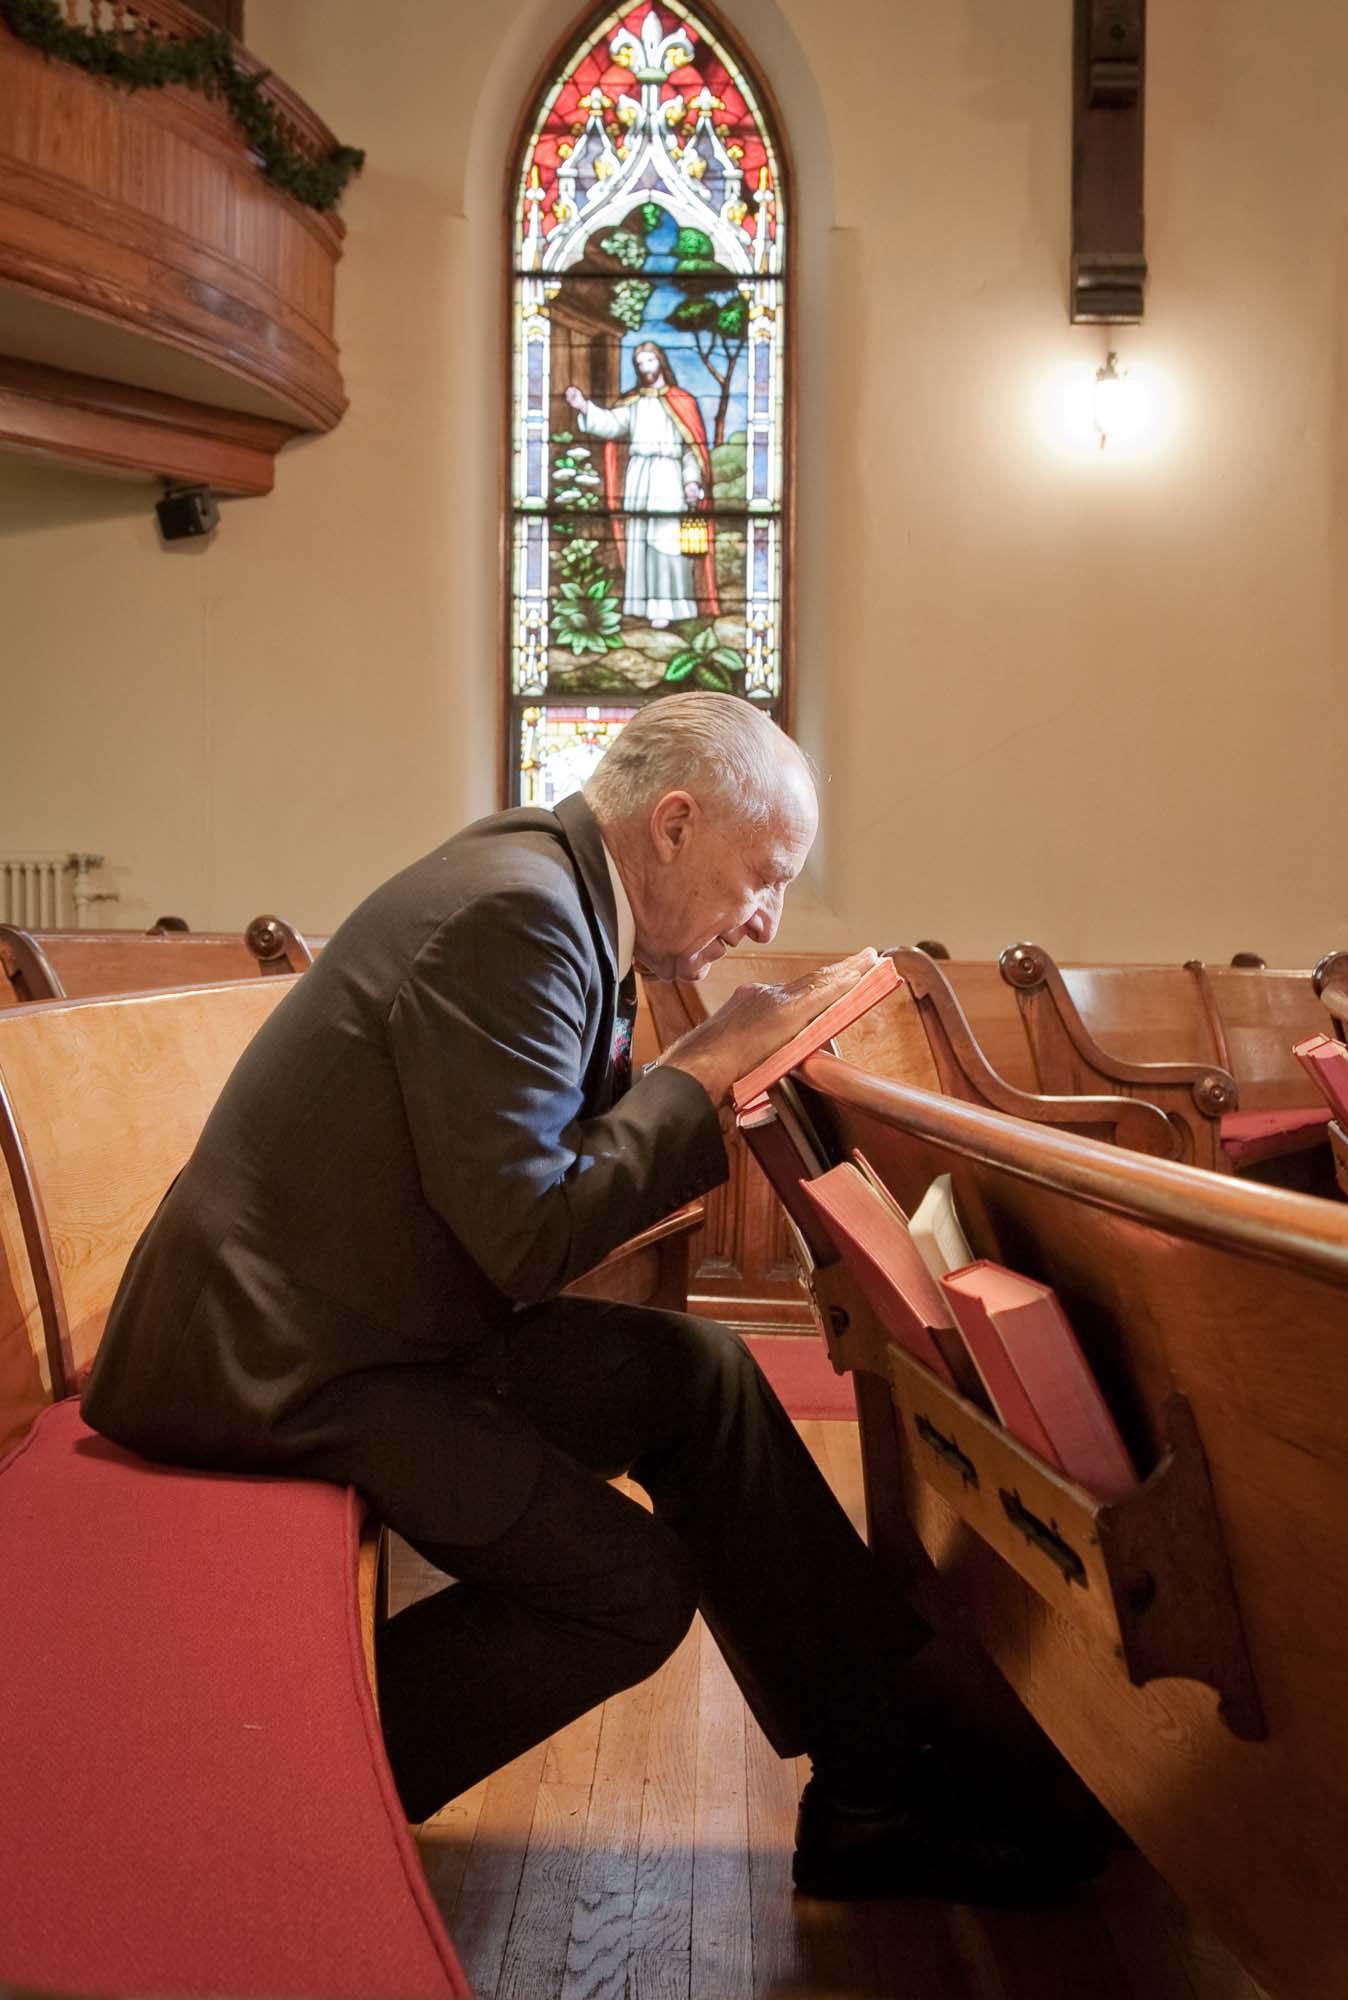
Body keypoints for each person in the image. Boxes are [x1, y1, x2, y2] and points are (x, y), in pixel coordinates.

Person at [82, 693, 1087, 1903]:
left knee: (699, 1375)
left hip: (356, 1322)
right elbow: (525, 1235)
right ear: (672, 822)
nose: (764, 914)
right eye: (760, 874)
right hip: (276, 1363)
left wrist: (705, 1073)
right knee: (627, 1588)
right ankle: (281, 1781)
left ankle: (880, 1774)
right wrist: (704, 1068)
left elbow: (521, 1180)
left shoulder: (551, 889)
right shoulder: (515, 914)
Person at [565, 341, 720, 628]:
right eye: (640, 364)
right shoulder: (633, 403)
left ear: (660, 362)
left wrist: (691, 482)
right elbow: (610, 424)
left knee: (667, 540)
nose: (645, 368)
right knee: (641, 540)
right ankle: (643, 604)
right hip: (639, 476)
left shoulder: (682, 402)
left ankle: (673, 607)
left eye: (649, 361)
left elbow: (691, 450)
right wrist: (584, 405)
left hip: (668, 474)